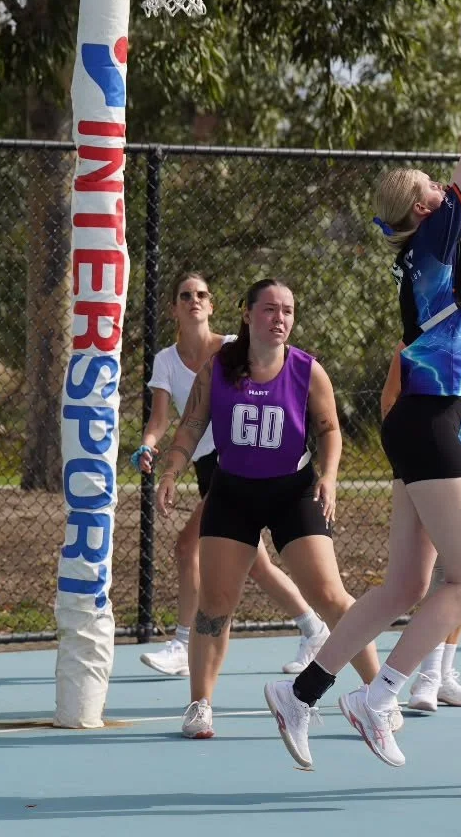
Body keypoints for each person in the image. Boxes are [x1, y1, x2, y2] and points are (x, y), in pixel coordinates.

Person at [263, 12, 461, 770]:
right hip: (433, 421)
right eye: (437, 188)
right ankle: (382, 695)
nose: (450, 185)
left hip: (417, 420)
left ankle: (301, 691)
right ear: (423, 209)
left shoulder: (426, 250)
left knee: (406, 581)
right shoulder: (436, 238)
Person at [155, 279, 382, 740]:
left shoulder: (306, 370)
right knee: (215, 604)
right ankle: (200, 705)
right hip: (233, 491)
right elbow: (192, 425)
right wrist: (171, 470)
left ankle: (378, 695)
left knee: (331, 596)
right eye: (270, 310)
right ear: (247, 314)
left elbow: (330, 430)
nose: (280, 319)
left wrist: (330, 476)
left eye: (288, 311)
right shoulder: (219, 368)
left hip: (292, 491)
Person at [133, 272, 329, 678]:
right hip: (212, 471)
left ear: (214, 305)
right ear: (173, 308)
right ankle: (313, 627)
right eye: (185, 295)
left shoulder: (235, 350)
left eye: (202, 294)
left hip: (241, 467)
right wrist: (151, 447)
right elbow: (162, 419)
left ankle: (182, 641)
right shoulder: (167, 361)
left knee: (188, 547)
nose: (194, 301)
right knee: (255, 565)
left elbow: (295, 397)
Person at [379, 342, 461, 712]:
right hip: (428, 463)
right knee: (434, 575)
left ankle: (441, 673)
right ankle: (424, 678)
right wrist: (406, 463)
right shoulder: (413, 345)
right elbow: (389, 403)